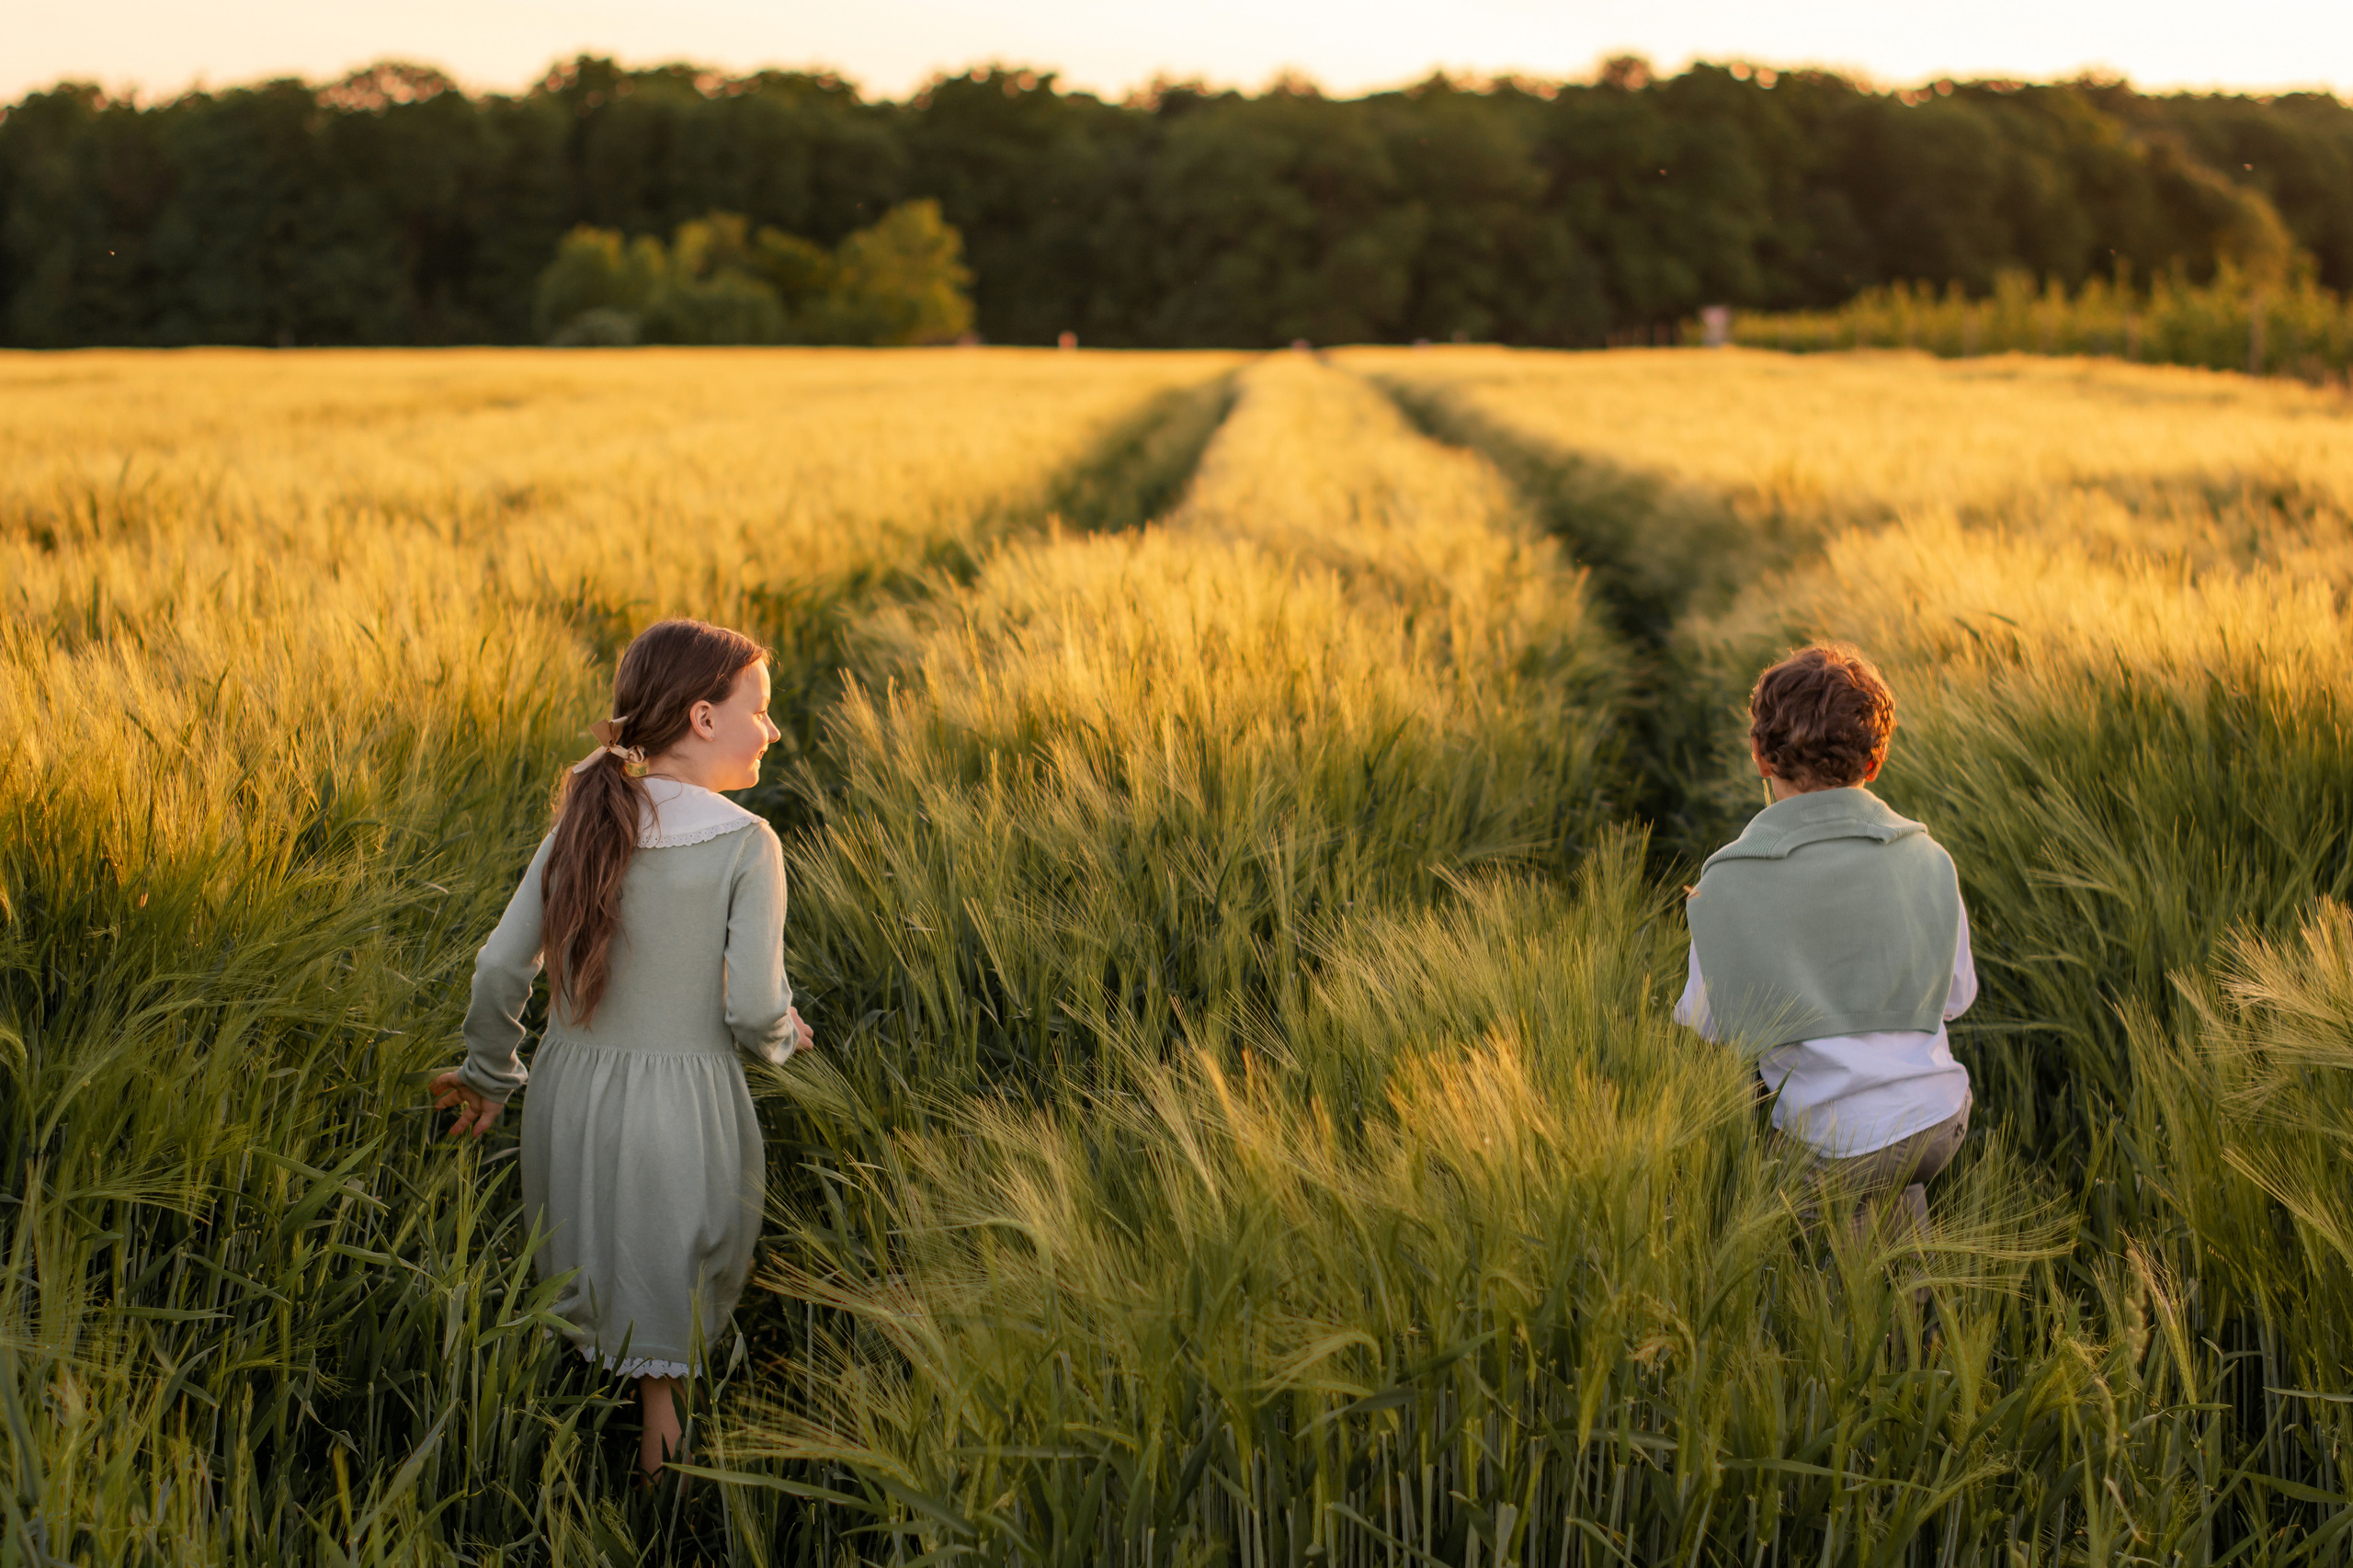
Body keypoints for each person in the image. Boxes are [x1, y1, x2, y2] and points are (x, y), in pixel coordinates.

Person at [428, 618, 814, 1477]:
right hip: (683, 1111)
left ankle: (528, 1465)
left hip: (568, 1105)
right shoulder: (749, 843)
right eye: (761, 708)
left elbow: (499, 967)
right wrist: (787, 1035)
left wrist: (492, 1076)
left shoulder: (581, 822)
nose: (773, 729)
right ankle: (659, 1514)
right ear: (704, 719)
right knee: (663, 1362)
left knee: (585, 1284)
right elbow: (756, 1009)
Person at [1676, 642, 1975, 1265]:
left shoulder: (1726, 882)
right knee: (1887, 1181)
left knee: (1788, 1249)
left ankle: (1841, 1335)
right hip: (1938, 1119)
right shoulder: (1930, 859)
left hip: (1832, 1146)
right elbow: (1955, 997)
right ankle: (1910, 1322)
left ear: (1759, 755)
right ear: (1876, 759)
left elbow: (1708, 1029)